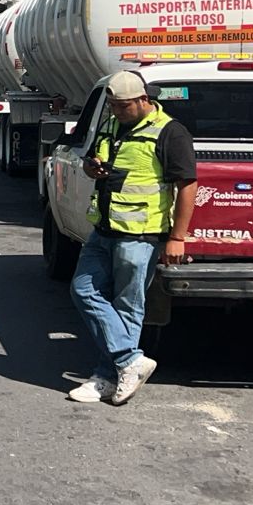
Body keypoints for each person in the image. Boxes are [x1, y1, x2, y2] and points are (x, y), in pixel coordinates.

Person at [66, 70, 197, 405]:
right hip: (104, 229)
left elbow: (187, 185)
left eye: (123, 106)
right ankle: (129, 361)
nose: (116, 111)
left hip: (141, 235)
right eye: (112, 105)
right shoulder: (110, 126)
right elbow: (89, 161)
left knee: (128, 304)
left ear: (144, 100)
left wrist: (177, 237)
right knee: (83, 290)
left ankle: (106, 376)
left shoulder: (170, 132)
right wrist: (90, 168)